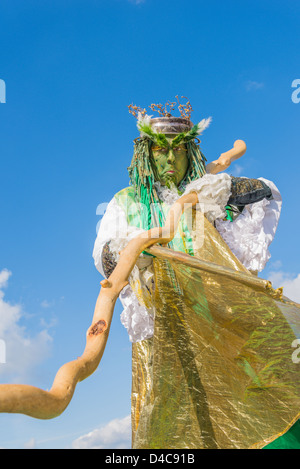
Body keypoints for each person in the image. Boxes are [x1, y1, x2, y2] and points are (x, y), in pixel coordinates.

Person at [93, 99, 299, 449]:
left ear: (191, 153)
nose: (170, 160)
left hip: (232, 311)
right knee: (186, 417)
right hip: (174, 326)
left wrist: (218, 189)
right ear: (146, 154)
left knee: (279, 387)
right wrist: (136, 253)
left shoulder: (206, 188)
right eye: (160, 150)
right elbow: (106, 256)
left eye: (179, 151)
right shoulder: (125, 202)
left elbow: (266, 191)